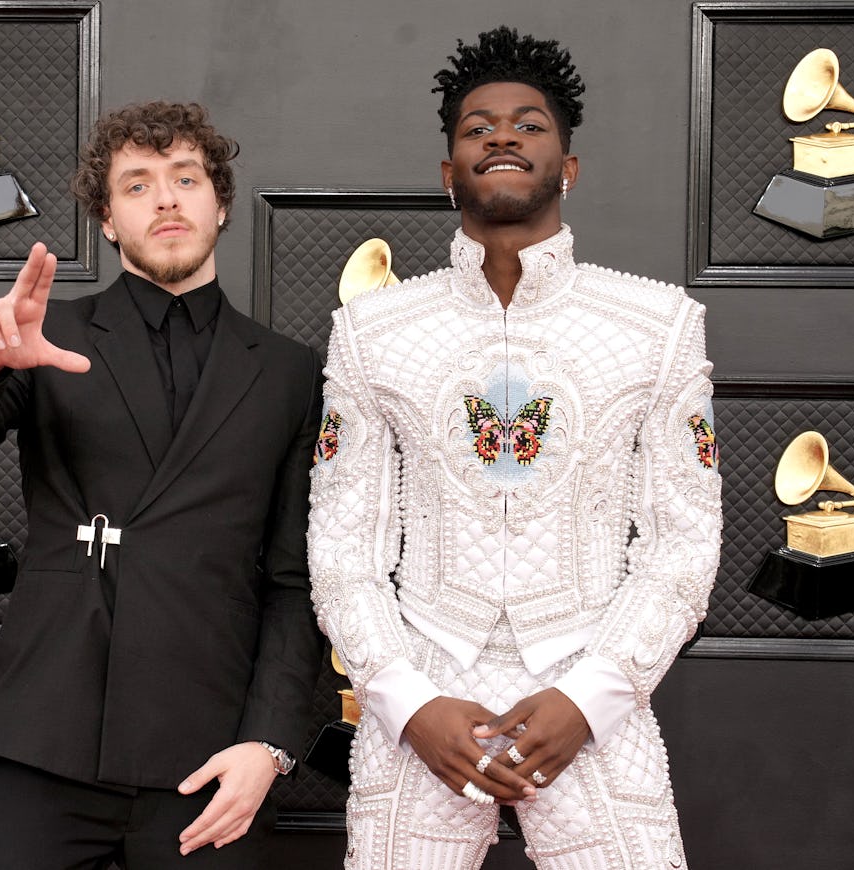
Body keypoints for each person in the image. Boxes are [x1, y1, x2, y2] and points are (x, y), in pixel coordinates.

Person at [307, 26, 723, 870]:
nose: (502, 136)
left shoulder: (659, 326)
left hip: (590, 686)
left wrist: (592, 697)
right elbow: (342, 545)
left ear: (568, 168)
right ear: (448, 171)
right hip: (424, 686)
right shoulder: (371, 331)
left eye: (529, 125)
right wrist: (405, 701)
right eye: (477, 128)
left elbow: (684, 542)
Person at [0, 101, 324, 869]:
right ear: (107, 219)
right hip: (43, 740)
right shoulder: (47, 335)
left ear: (220, 202)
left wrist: (268, 744)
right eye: (137, 185)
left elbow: (295, 580)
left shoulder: (290, 371)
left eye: (186, 178)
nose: (165, 199)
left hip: (208, 756)